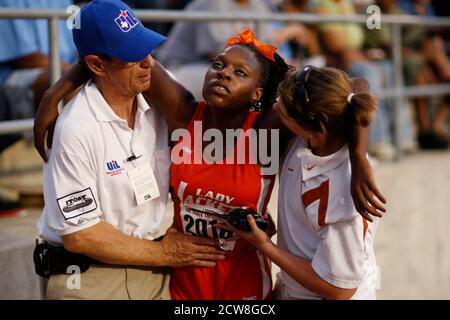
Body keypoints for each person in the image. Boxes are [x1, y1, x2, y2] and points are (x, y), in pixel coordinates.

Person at [34, 27, 386, 299]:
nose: (224, 74)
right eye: (218, 65)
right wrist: (61, 87)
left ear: (259, 94)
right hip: (183, 270)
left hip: (242, 273)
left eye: (240, 73)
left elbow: (353, 86)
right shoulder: (182, 112)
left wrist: (358, 155)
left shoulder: (269, 127)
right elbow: (119, 53)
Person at [35, 0, 225, 300]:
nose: (149, 62)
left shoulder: (156, 95)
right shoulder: (76, 127)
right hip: (90, 279)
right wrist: (166, 253)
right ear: (97, 65)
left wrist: (55, 90)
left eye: (146, 48)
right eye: (132, 55)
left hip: (155, 272)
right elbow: (81, 235)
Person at [223, 65, 380, 299]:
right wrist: (358, 155)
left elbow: (340, 288)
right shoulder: (324, 132)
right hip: (293, 289)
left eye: (283, 113)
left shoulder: (339, 196)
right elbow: (358, 85)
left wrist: (265, 245)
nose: (275, 107)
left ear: (314, 131)